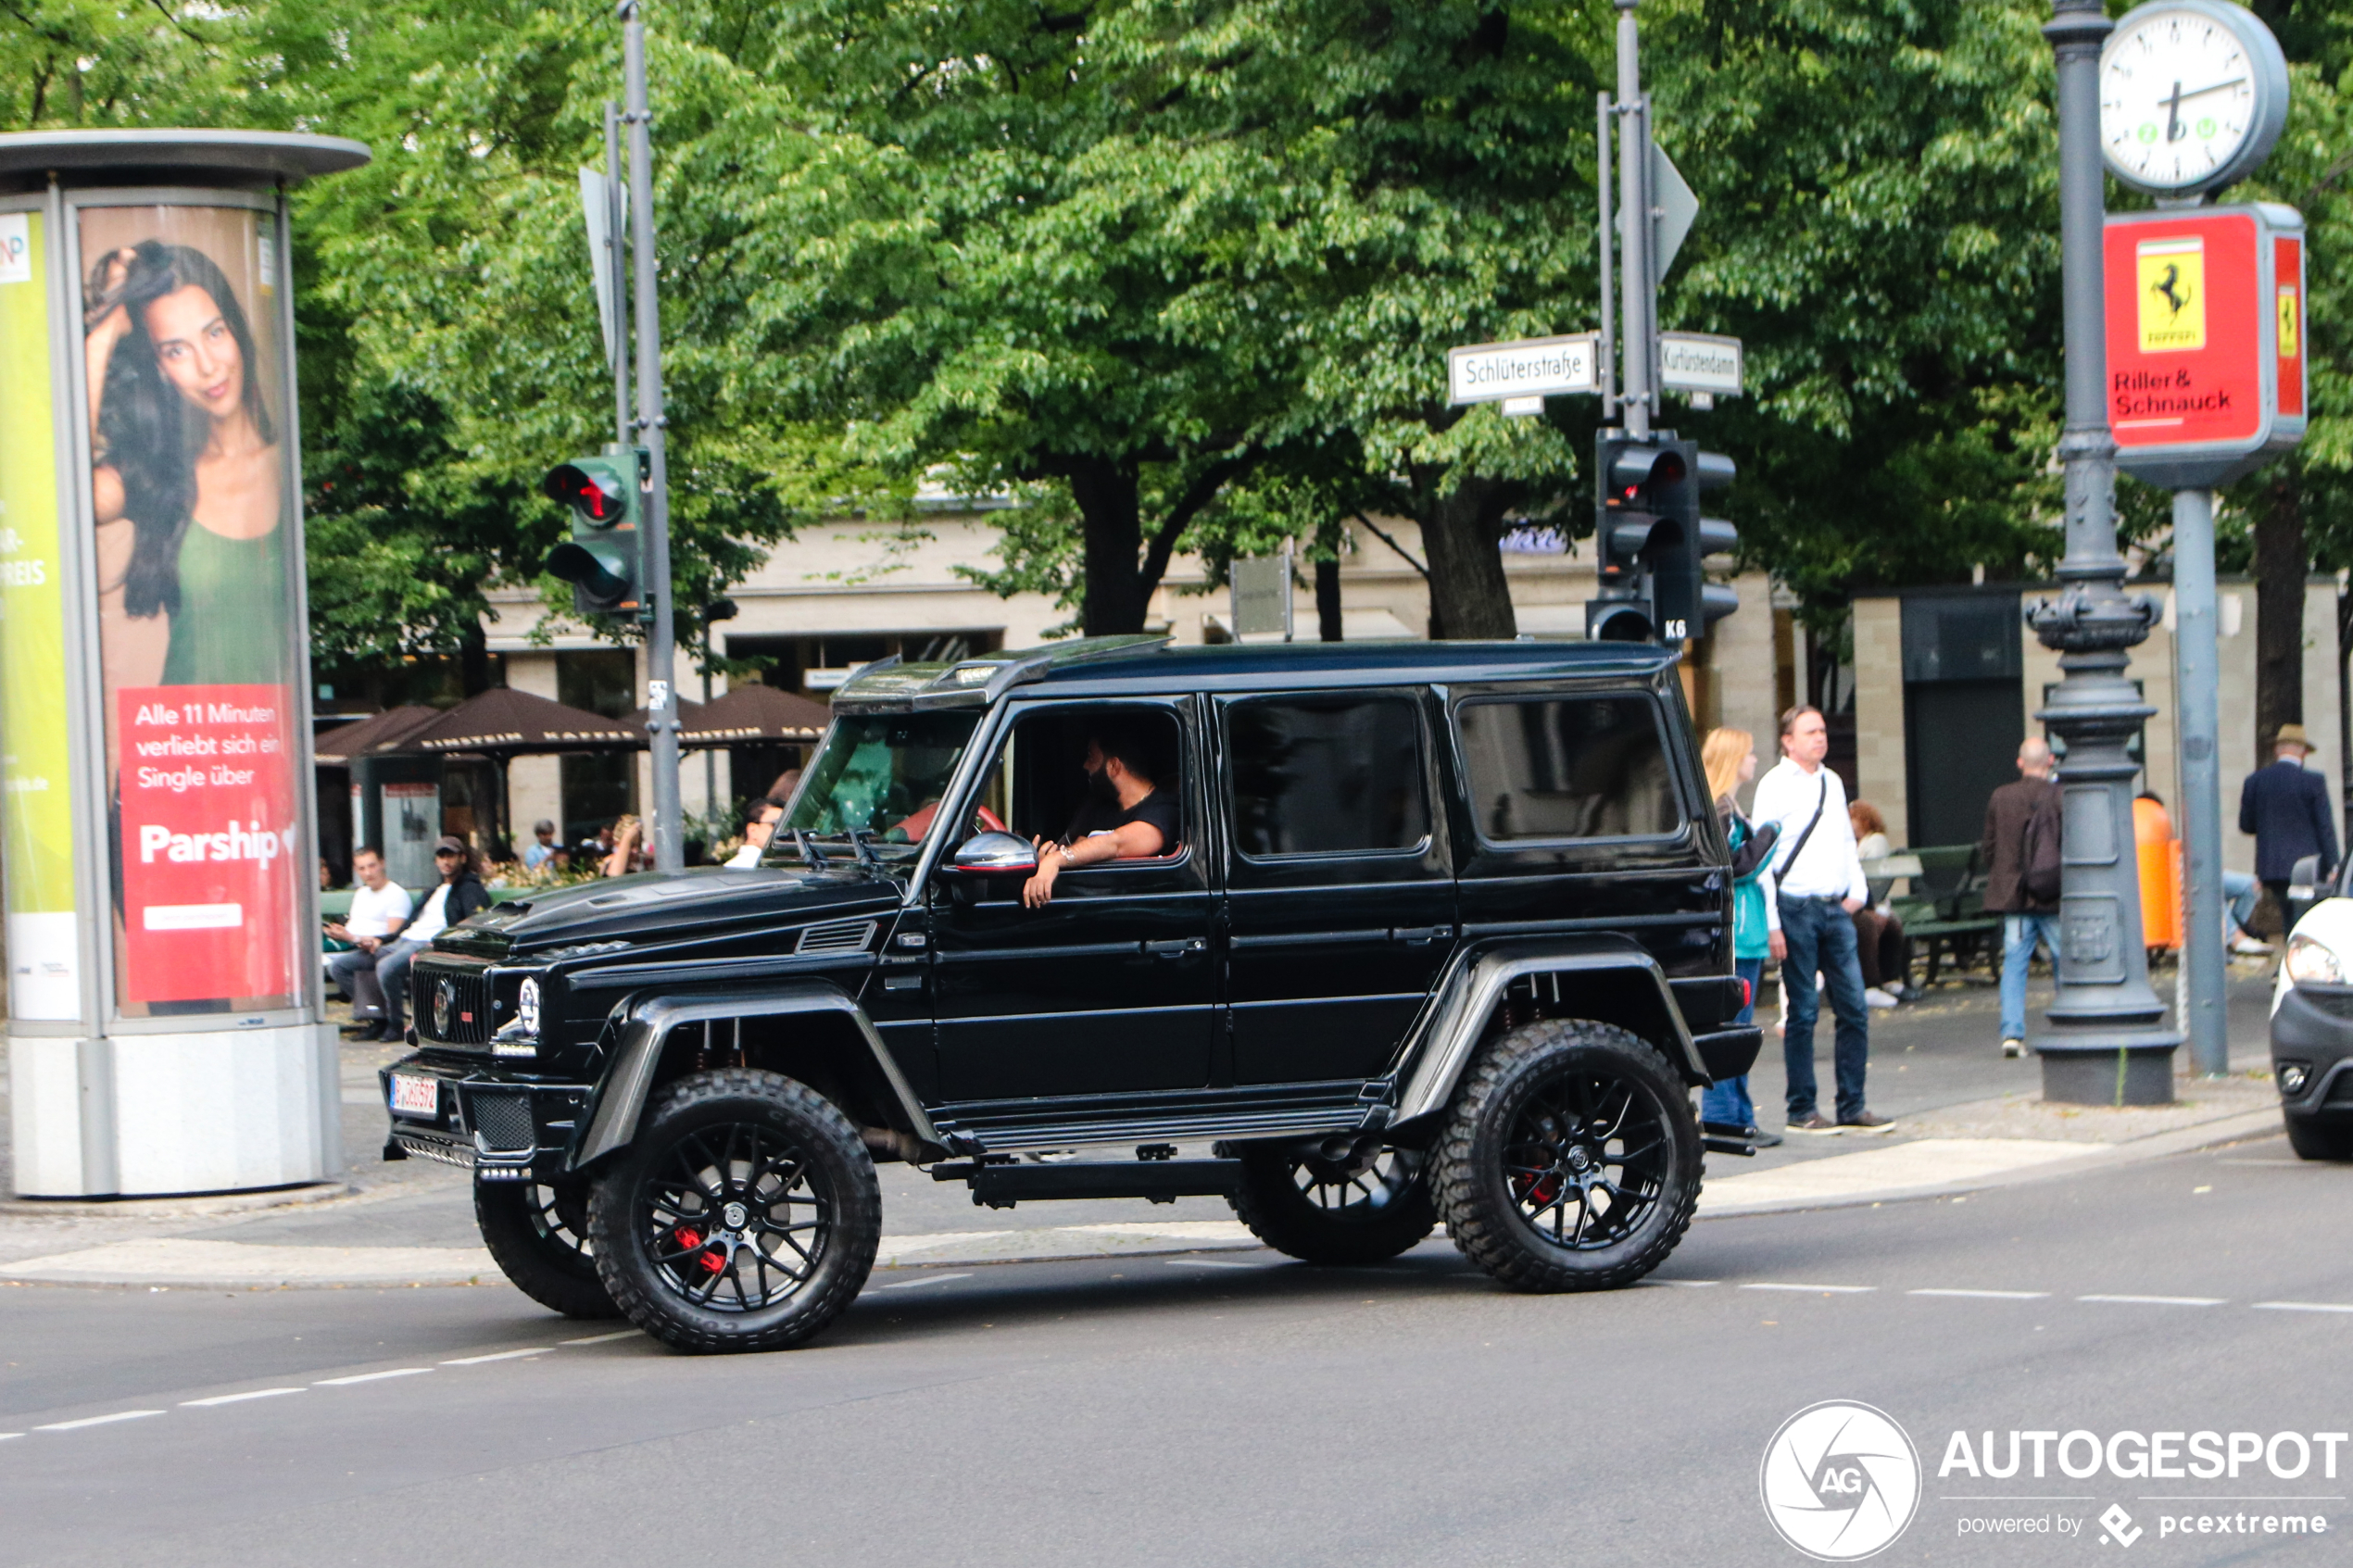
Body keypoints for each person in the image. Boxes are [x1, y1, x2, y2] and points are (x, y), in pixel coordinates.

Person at [84, 240, 288, 690]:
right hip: (182, 746)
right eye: (177, 351)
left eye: (214, 333)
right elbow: (63, 500)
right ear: (159, 367)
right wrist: (103, 336)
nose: (208, 366)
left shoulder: (288, 469)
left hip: (266, 748)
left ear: (236, 331)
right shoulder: (159, 474)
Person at [1749, 705, 1891, 1134]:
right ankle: (1801, 1108)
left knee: (1854, 1008)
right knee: (1803, 1012)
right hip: (1795, 906)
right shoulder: (1774, 786)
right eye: (1810, 732)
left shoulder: (1832, 781)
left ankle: (1852, 1104)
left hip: (1834, 907)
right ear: (1788, 740)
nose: (1821, 738)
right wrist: (1773, 920)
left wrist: (1857, 891)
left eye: (1823, 731)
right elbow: (1764, 858)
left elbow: (1846, 842)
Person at [1698, 727, 1780, 1148]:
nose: (1754, 759)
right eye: (1748, 753)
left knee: (1738, 1026)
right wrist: (1768, 836)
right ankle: (1725, 1115)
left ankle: (1737, 1114)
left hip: (1744, 929)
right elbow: (1733, 867)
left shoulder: (1722, 805)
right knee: (1735, 1027)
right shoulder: (1722, 809)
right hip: (1737, 930)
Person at [1022, 721, 1179, 909]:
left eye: (1091, 757)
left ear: (1113, 766)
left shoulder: (1164, 809)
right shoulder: (1097, 806)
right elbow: (1074, 847)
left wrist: (1057, 859)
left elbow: (1117, 843)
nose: (1086, 766)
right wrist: (1044, 860)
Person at [1983, 737, 2063, 1059]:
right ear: (2051, 760)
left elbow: (1989, 847)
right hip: (2053, 895)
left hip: (2014, 896)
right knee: (2064, 962)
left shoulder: (2001, 797)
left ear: (2020, 762)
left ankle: (2012, 1034)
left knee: (2015, 965)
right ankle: (2066, 1023)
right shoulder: (2060, 796)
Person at [372, 837, 492, 1038]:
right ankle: (377, 1018)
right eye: (441, 856)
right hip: (405, 939)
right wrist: (380, 940)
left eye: (451, 856)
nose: (446, 861)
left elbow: (472, 922)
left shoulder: (469, 888)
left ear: (462, 858)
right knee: (350, 964)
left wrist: (442, 942)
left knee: (386, 967)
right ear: (436, 861)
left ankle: (395, 1024)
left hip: (427, 943)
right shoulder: (433, 891)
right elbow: (408, 923)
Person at [2239, 722, 2339, 927]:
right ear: (2303, 752)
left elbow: (2246, 825)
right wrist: (2334, 865)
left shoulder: (2255, 781)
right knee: (2304, 917)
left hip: (2272, 866)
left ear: (2277, 749)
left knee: (2287, 913)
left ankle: (2289, 948)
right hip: (2308, 866)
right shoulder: (2313, 781)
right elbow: (2325, 827)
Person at [324, 847, 411, 1041]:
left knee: (349, 965)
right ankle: (375, 1016)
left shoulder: (396, 894)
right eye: (362, 868)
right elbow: (355, 927)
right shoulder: (362, 894)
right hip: (360, 948)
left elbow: (393, 937)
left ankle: (385, 1020)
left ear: (382, 864)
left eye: (372, 866)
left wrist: (353, 938)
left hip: (386, 950)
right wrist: (341, 934)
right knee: (337, 966)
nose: (368, 873)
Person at [1846, 799, 1910, 1008]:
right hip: (1847, 904)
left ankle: (1890, 979)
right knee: (1867, 925)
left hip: (1864, 900)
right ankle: (1870, 985)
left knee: (1891, 923)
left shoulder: (1873, 841)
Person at [726, 797, 786, 869]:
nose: (782, 831)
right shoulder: (762, 867)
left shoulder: (730, 867)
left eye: (785, 826)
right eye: (776, 824)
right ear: (753, 830)